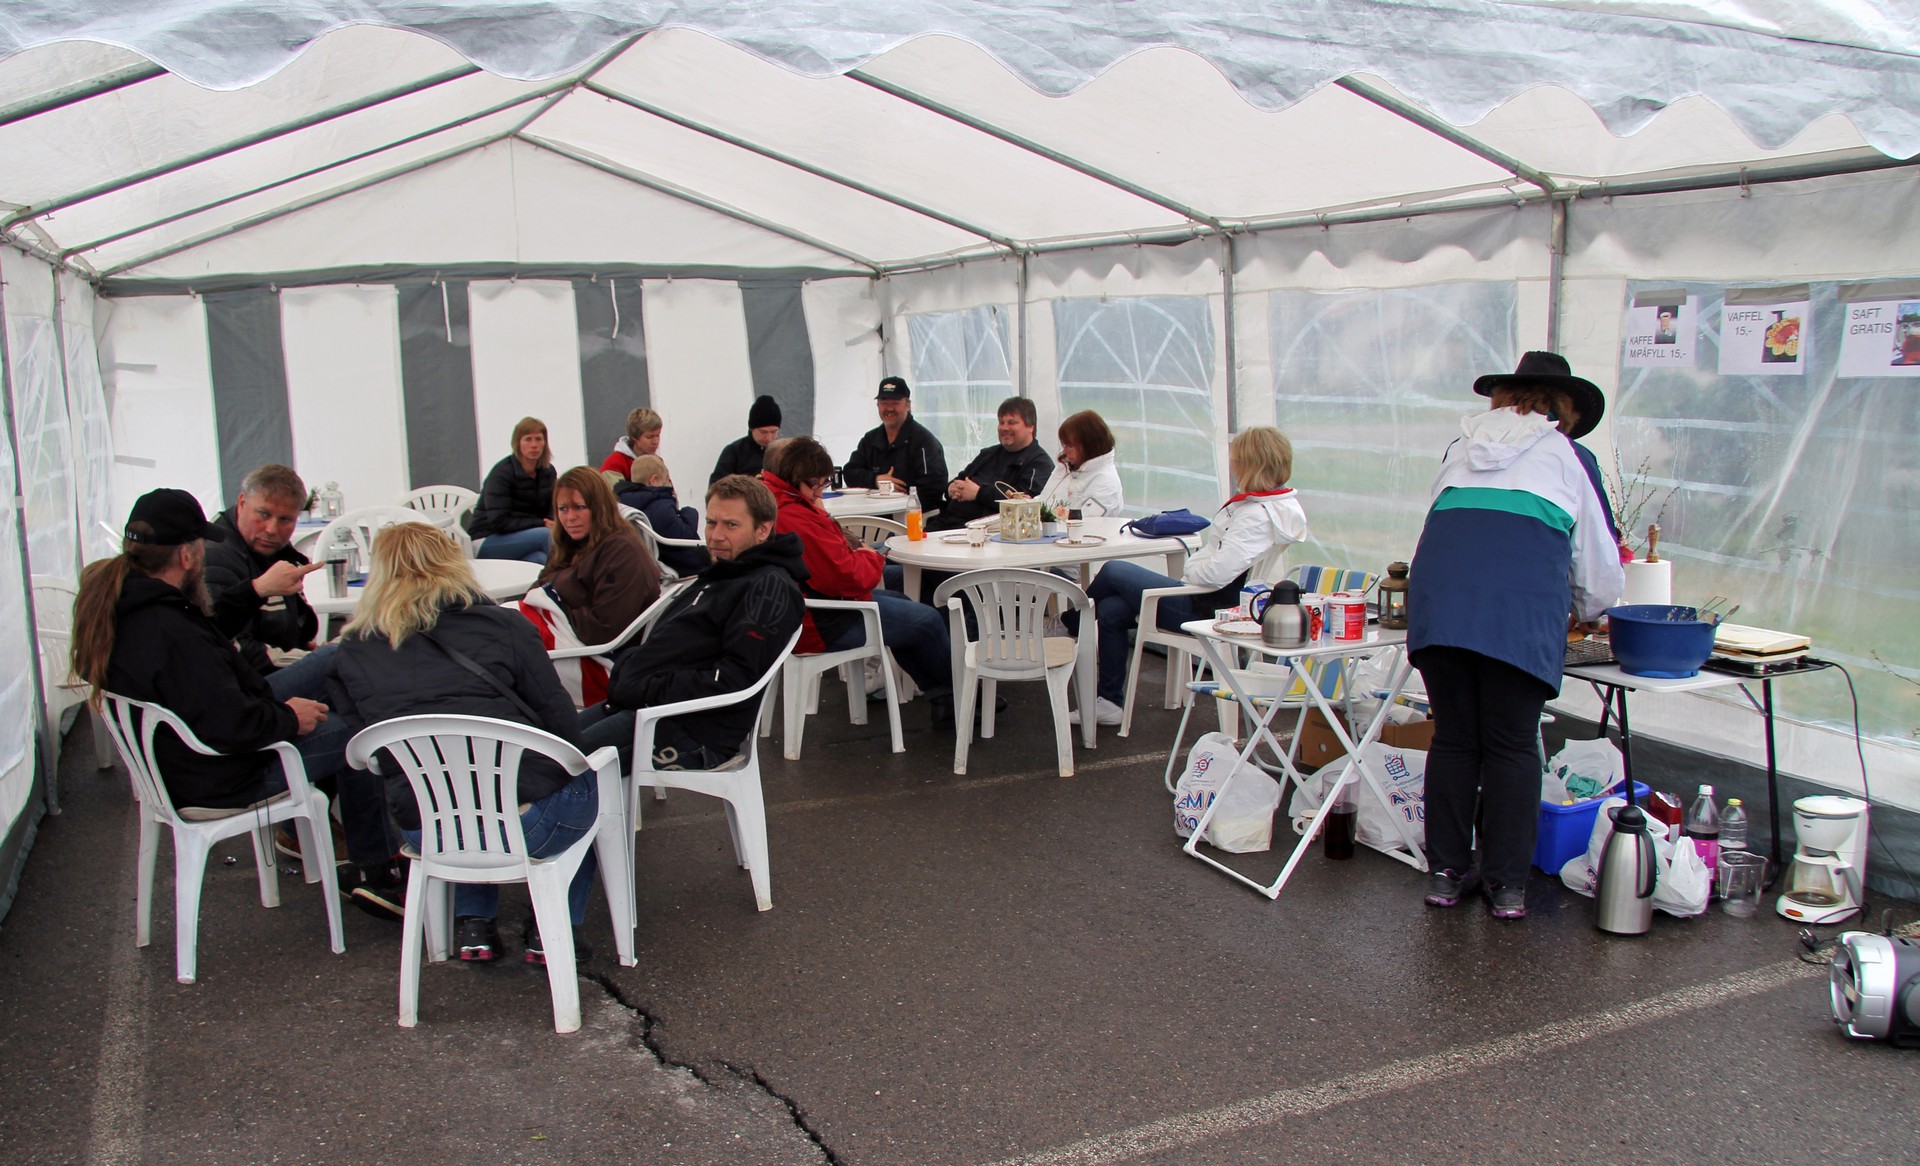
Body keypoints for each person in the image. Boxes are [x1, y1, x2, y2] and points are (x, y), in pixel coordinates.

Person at [68, 489, 397, 902]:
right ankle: (378, 869)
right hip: (223, 772)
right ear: (186, 555)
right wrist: (289, 717)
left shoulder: (127, 603)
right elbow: (231, 723)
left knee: (337, 658)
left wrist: (253, 591)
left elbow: (205, 661)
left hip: (191, 754)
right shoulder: (171, 630)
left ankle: (322, 831)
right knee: (360, 730)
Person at [1410, 353, 1625, 921]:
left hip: (1440, 610)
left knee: (1455, 739)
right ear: (1565, 409)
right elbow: (1598, 564)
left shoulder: (1460, 448)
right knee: (1510, 744)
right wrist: (1588, 610)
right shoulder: (1570, 455)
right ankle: (1506, 884)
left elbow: (1443, 526)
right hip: (1517, 613)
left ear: (1501, 399)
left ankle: (1446, 873)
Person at [328, 522, 602, 964]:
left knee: (454, 790)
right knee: (581, 778)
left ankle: (474, 925)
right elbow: (560, 724)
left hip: (427, 827)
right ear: (454, 563)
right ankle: (552, 930)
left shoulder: (352, 649)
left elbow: (372, 749)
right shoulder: (504, 626)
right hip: (528, 825)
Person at [1077, 427, 1308, 727]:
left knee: (1113, 570)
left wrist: (1191, 569)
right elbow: (1218, 562)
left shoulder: (1256, 515)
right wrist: (1197, 568)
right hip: (1222, 602)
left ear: (1251, 465)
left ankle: (1070, 624)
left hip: (1209, 610)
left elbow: (1214, 573)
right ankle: (1109, 703)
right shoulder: (1277, 507)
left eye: (1237, 461)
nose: (1234, 467)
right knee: (1110, 609)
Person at [579, 475, 805, 770]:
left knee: (556, 768)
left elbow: (734, 681)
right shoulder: (726, 573)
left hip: (691, 730)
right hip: (647, 707)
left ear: (763, 529)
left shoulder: (768, 589)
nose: (716, 536)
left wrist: (647, 688)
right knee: (542, 745)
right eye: (711, 523)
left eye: (731, 525)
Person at [762, 437, 954, 720]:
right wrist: (870, 556)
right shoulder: (795, 517)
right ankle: (956, 696)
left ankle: (940, 694)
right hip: (821, 621)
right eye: (817, 483)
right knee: (926, 621)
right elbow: (848, 578)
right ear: (797, 476)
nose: (821, 490)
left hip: (802, 612)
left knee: (903, 599)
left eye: (824, 483)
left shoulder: (774, 500)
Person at [517, 467, 663, 707]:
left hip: (598, 662)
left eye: (579, 507)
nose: (569, 518)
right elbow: (538, 590)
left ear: (599, 507)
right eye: (563, 509)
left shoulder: (622, 551)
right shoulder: (569, 545)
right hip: (564, 642)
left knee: (502, 649)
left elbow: (603, 630)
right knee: (493, 630)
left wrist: (557, 600)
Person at [203, 463, 329, 692]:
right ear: (242, 503)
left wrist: (306, 650)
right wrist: (308, 661)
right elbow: (233, 648)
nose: (272, 529)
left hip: (267, 675)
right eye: (263, 514)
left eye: (285, 520)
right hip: (244, 690)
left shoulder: (273, 549)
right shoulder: (216, 557)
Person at [926, 397, 1052, 531]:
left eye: (1012, 422)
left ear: (1030, 426)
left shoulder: (1039, 464)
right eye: (1001, 422)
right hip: (946, 524)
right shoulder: (988, 454)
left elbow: (1025, 504)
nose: (1004, 428)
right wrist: (951, 489)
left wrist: (978, 493)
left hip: (986, 532)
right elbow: (961, 478)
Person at [842, 376, 949, 506]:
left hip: (915, 514)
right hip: (873, 512)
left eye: (895, 403)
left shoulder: (924, 442)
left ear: (908, 405)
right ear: (877, 405)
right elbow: (850, 472)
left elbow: (934, 487)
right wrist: (876, 480)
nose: (889, 409)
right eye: (884, 403)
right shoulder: (870, 439)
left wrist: (901, 500)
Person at [470, 416, 557, 564]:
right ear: (518, 443)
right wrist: (540, 523)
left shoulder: (548, 471)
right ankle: (572, 575)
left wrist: (551, 521)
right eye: (528, 439)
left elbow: (551, 507)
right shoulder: (501, 474)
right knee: (545, 535)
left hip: (527, 535)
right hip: (487, 538)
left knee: (538, 559)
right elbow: (499, 522)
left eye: (538, 439)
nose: (534, 445)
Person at [612, 454, 709, 575]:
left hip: (657, 563)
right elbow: (685, 536)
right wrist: (689, 512)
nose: (669, 484)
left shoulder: (628, 502)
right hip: (683, 568)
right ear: (654, 480)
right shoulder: (660, 506)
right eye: (666, 480)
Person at [1035, 409, 1124, 518]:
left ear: (1089, 445)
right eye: (1064, 445)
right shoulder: (1065, 467)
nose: (1065, 451)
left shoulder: (1106, 484)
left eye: (1070, 446)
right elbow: (1045, 500)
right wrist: (1026, 505)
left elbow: (1085, 523)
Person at [709, 395, 782, 483]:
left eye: (774, 432)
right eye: (763, 432)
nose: (769, 438)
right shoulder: (734, 452)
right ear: (752, 428)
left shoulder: (784, 452)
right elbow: (717, 485)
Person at [599, 406, 662, 479]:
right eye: (649, 437)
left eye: (658, 435)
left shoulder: (658, 462)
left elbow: (667, 486)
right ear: (634, 437)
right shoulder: (614, 464)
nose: (656, 441)